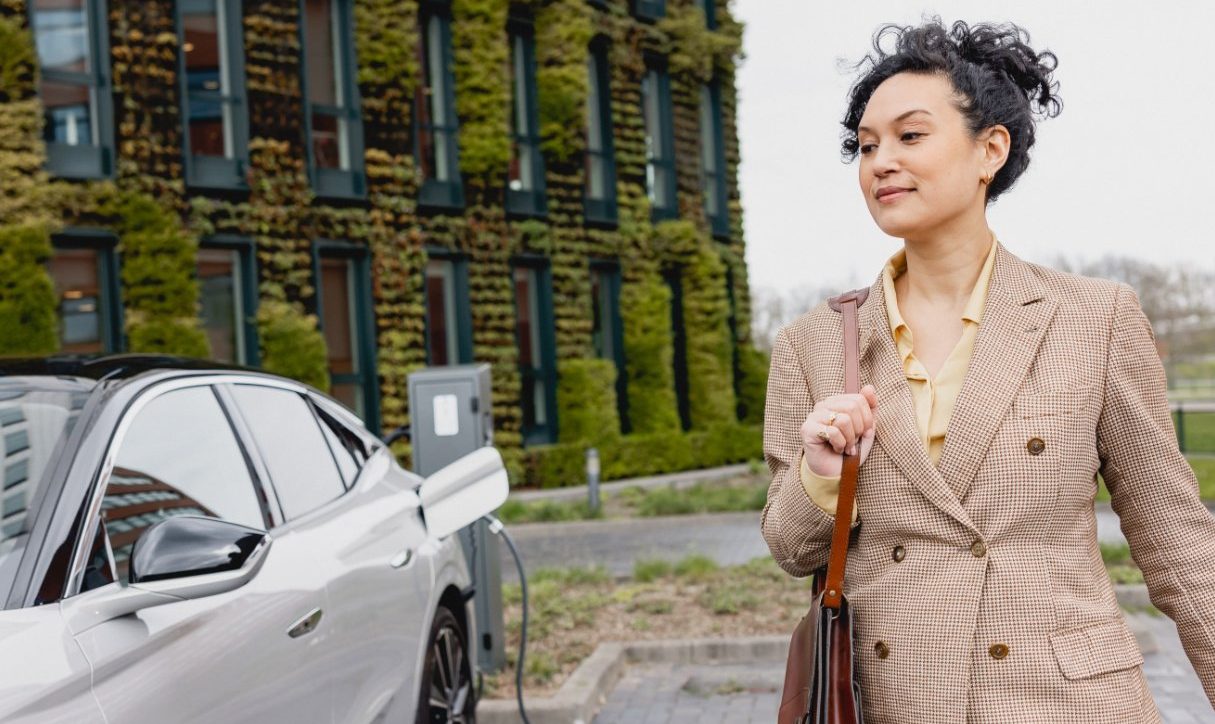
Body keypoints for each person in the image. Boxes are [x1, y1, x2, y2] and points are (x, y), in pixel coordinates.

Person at [761, 17, 1215, 723]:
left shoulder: (1092, 319)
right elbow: (791, 548)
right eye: (865, 145)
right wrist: (820, 474)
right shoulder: (814, 343)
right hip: (896, 701)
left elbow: (1175, 538)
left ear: (989, 150)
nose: (880, 161)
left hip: (1066, 702)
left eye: (910, 137)